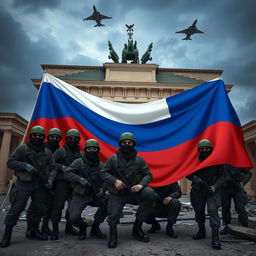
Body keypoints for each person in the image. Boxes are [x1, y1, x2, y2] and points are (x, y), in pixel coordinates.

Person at [0, 125, 57, 248]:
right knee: (16, 208)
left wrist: (51, 179)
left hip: (40, 185)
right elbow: (11, 162)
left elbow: (53, 168)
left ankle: (33, 231)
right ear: (31, 136)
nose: (38, 137)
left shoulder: (47, 152)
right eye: (35, 135)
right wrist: (24, 166)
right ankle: (7, 235)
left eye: (40, 136)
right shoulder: (23, 149)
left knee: (37, 209)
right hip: (24, 183)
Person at [100, 132, 156, 248]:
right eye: (124, 142)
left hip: (134, 191)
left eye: (129, 142)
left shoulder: (139, 160)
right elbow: (103, 172)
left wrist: (141, 185)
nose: (127, 144)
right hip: (118, 193)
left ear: (133, 144)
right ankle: (113, 235)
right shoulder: (113, 159)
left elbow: (148, 175)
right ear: (120, 144)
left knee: (150, 194)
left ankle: (137, 228)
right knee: (113, 214)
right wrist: (114, 181)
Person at [64, 139, 108, 240]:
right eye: (89, 148)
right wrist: (80, 179)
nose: (91, 150)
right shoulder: (79, 162)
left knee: (109, 201)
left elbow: (106, 179)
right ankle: (82, 226)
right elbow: (67, 173)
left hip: (95, 195)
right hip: (80, 194)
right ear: (85, 150)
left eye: (94, 148)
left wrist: (103, 190)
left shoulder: (101, 165)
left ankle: (95, 227)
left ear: (97, 150)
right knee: (73, 218)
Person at [187, 139, 226, 250]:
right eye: (202, 149)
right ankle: (201, 231)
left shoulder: (217, 161)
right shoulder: (194, 161)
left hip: (212, 191)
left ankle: (215, 237)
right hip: (198, 190)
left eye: (207, 148)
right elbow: (185, 172)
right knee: (199, 212)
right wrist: (194, 177)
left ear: (210, 149)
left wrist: (216, 186)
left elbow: (223, 176)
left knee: (213, 211)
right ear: (199, 150)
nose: (204, 150)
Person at [50, 129, 81, 240]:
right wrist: (61, 167)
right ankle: (55, 230)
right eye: (70, 138)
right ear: (67, 139)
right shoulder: (60, 151)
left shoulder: (80, 153)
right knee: (58, 205)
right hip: (61, 182)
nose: (72, 140)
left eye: (75, 138)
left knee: (72, 207)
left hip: (74, 183)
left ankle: (69, 227)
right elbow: (52, 163)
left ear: (78, 140)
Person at [220, 165, 252, 234]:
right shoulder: (222, 163)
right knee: (225, 207)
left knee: (240, 207)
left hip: (236, 188)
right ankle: (227, 226)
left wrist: (242, 182)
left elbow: (249, 174)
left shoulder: (238, 162)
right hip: (225, 188)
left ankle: (245, 226)